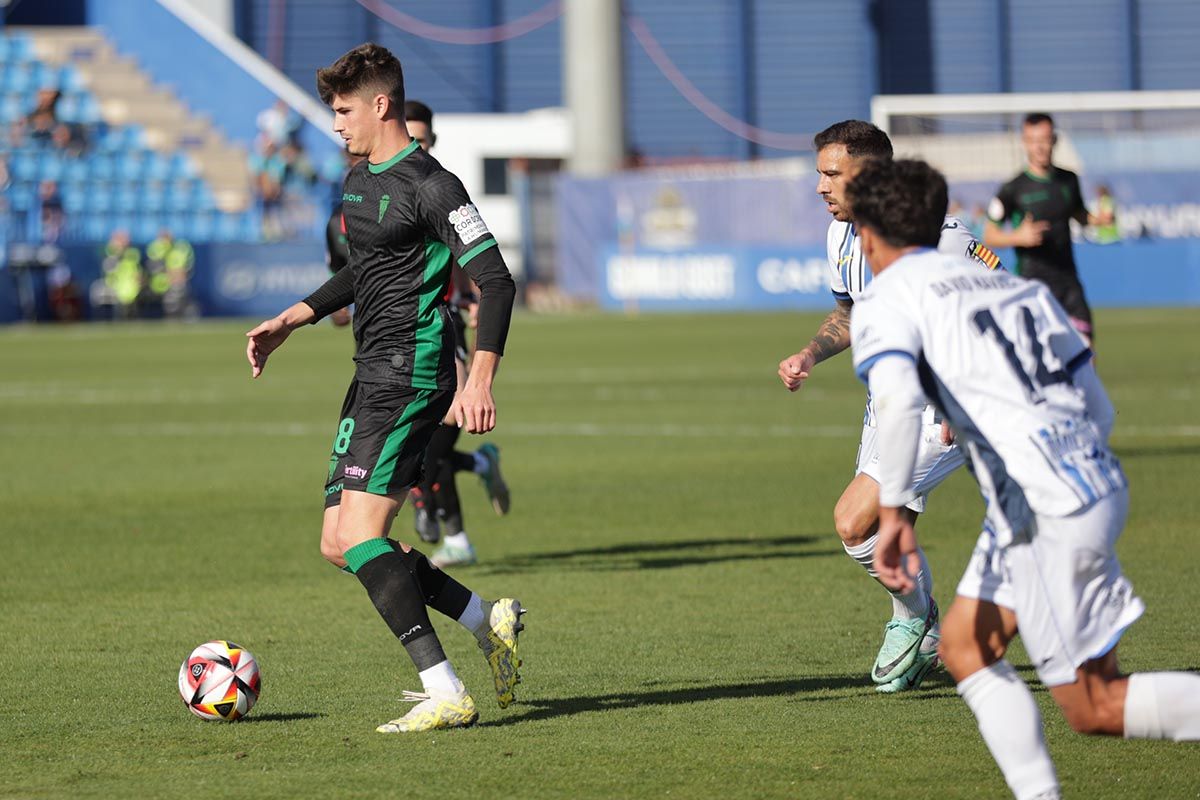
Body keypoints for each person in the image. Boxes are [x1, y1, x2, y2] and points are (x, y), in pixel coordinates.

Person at [847, 157, 1200, 800]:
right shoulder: (1016, 289)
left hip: (1042, 502)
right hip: (1081, 481)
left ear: (868, 234)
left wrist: (895, 516)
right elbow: (1098, 407)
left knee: (1094, 705)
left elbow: (897, 402)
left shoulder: (889, 295)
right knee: (964, 645)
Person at [245, 43, 523, 734]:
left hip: (412, 372)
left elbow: (496, 280)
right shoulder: (358, 181)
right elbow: (362, 273)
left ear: (379, 104)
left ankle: (446, 688)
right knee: (339, 543)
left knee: (363, 534)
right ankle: (484, 618)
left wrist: (480, 376)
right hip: (369, 372)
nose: (335, 124)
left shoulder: (434, 185)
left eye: (343, 111)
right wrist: (294, 317)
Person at [777, 120, 1003, 694]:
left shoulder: (937, 236)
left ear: (871, 173)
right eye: (819, 174)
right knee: (871, 535)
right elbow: (852, 313)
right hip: (888, 402)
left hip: (942, 406)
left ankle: (917, 620)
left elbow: (997, 297)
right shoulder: (840, 236)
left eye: (833, 174)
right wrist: (808, 354)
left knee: (852, 518)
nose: (822, 186)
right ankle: (922, 623)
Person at [984, 113, 1113, 345]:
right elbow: (989, 235)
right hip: (1032, 283)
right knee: (1041, 354)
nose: (1039, 147)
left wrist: (1098, 219)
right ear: (1024, 142)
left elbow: (1078, 214)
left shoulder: (1069, 180)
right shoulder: (1013, 189)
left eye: (1044, 139)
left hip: (1068, 280)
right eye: (1033, 140)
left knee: (1086, 352)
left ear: (1054, 140)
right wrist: (1018, 236)